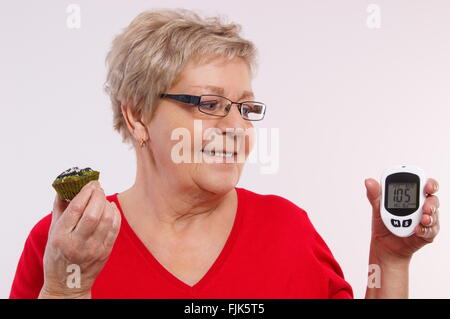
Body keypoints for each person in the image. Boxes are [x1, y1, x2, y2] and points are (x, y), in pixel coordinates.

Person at [9, 8, 440, 299]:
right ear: (138, 114)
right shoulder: (64, 244)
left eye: (246, 108)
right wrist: (68, 287)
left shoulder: (288, 230)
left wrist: (391, 259)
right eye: (209, 105)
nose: (235, 128)